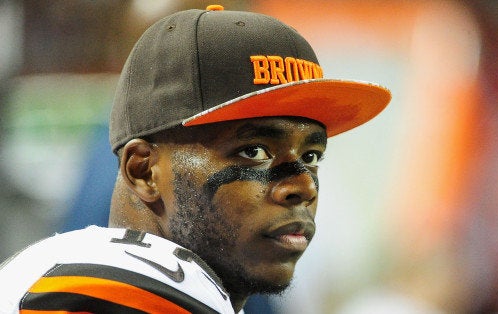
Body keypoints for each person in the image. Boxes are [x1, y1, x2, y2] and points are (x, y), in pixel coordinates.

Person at [0, 4, 391, 313]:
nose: (303, 185)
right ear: (143, 171)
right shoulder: (114, 293)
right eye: (254, 152)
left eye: (311, 154)